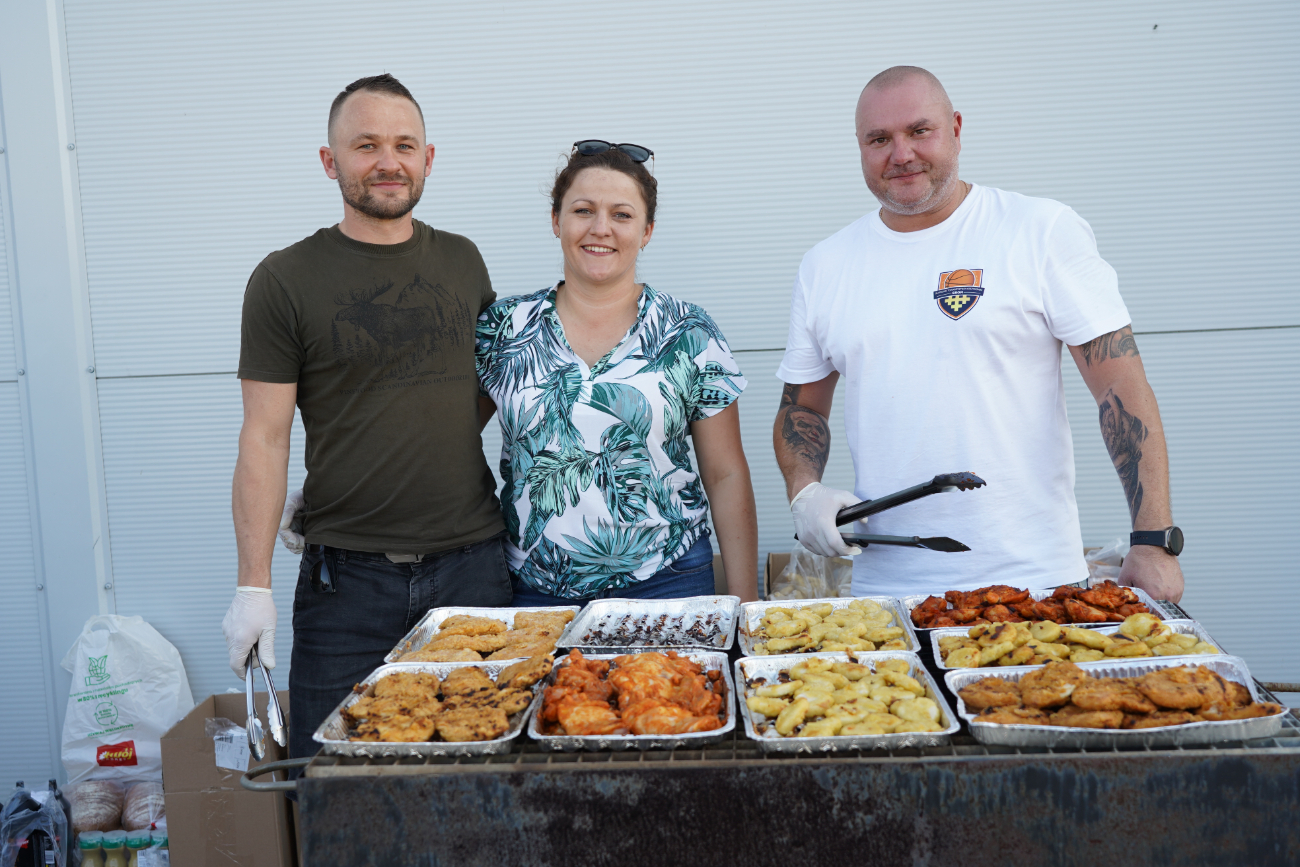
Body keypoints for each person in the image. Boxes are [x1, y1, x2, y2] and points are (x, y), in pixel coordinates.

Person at [773, 66, 1185, 603]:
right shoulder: (826, 265)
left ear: (956, 129)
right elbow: (801, 409)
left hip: (1037, 582)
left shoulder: (1039, 230)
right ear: (860, 146)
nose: (900, 154)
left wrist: (1153, 540)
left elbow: (1120, 390)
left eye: (920, 131)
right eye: (879, 139)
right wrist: (805, 494)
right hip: (888, 595)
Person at [221, 74, 512, 763]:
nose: (388, 161)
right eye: (366, 145)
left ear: (428, 158)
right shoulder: (285, 279)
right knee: (334, 789)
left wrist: (394, 450)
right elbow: (263, 436)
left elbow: (488, 385)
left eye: (404, 145)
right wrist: (252, 584)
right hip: (345, 584)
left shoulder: (461, 261)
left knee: (480, 786)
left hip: (471, 569)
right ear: (331, 162)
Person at [476, 142, 760, 604]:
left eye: (622, 215)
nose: (600, 228)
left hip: (669, 580)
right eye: (583, 210)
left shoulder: (689, 331)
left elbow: (725, 473)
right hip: (533, 587)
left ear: (646, 231)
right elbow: (451, 447)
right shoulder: (504, 328)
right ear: (556, 221)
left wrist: (746, 604)